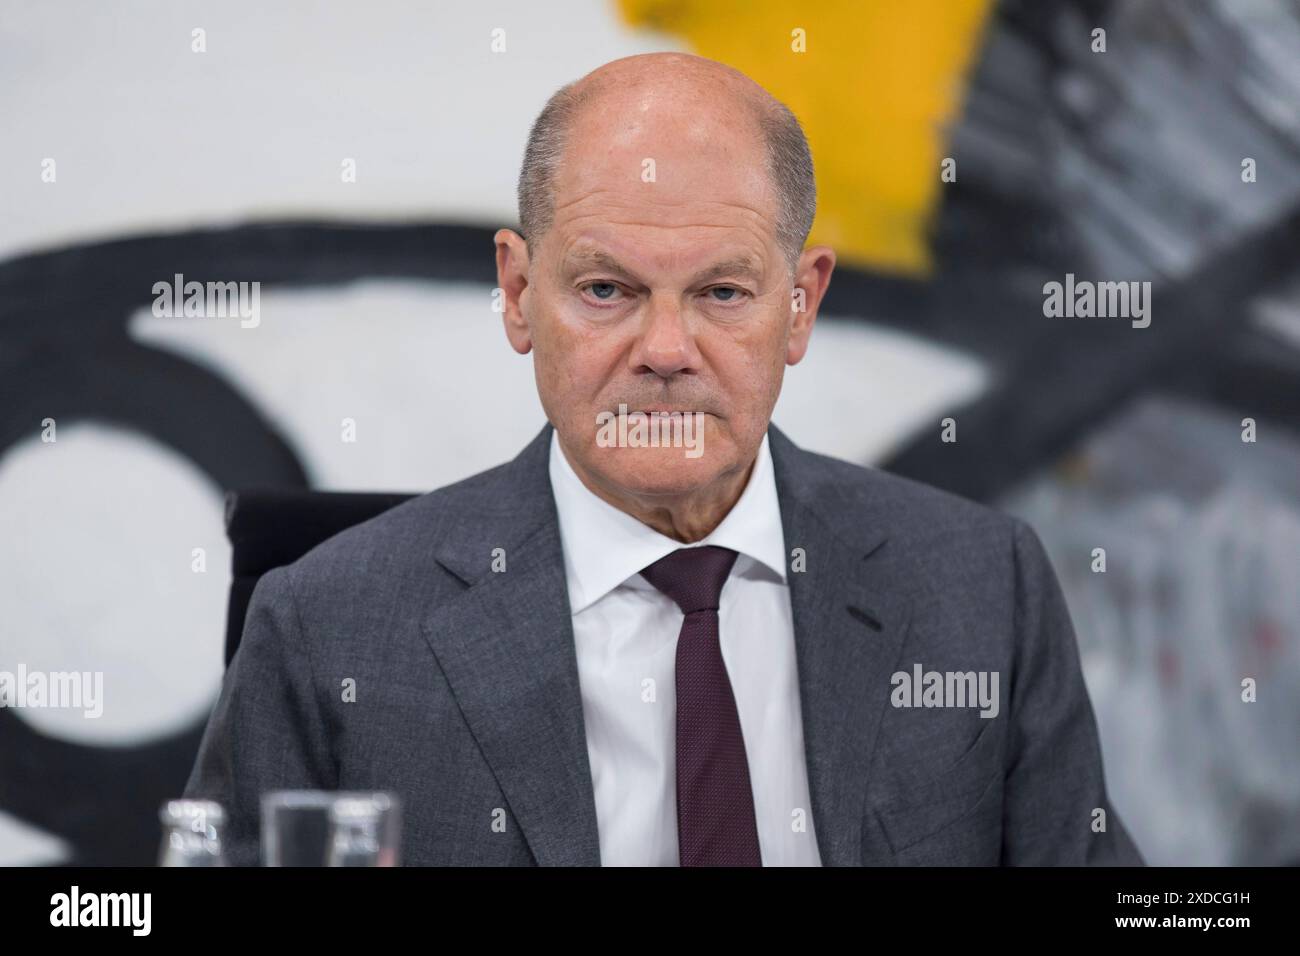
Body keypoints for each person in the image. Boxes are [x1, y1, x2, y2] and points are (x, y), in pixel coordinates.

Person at [184, 52, 1143, 867]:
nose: (667, 349)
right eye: (606, 289)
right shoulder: (327, 626)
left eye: (724, 292)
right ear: (518, 295)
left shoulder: (983, 587)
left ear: (800, 305)